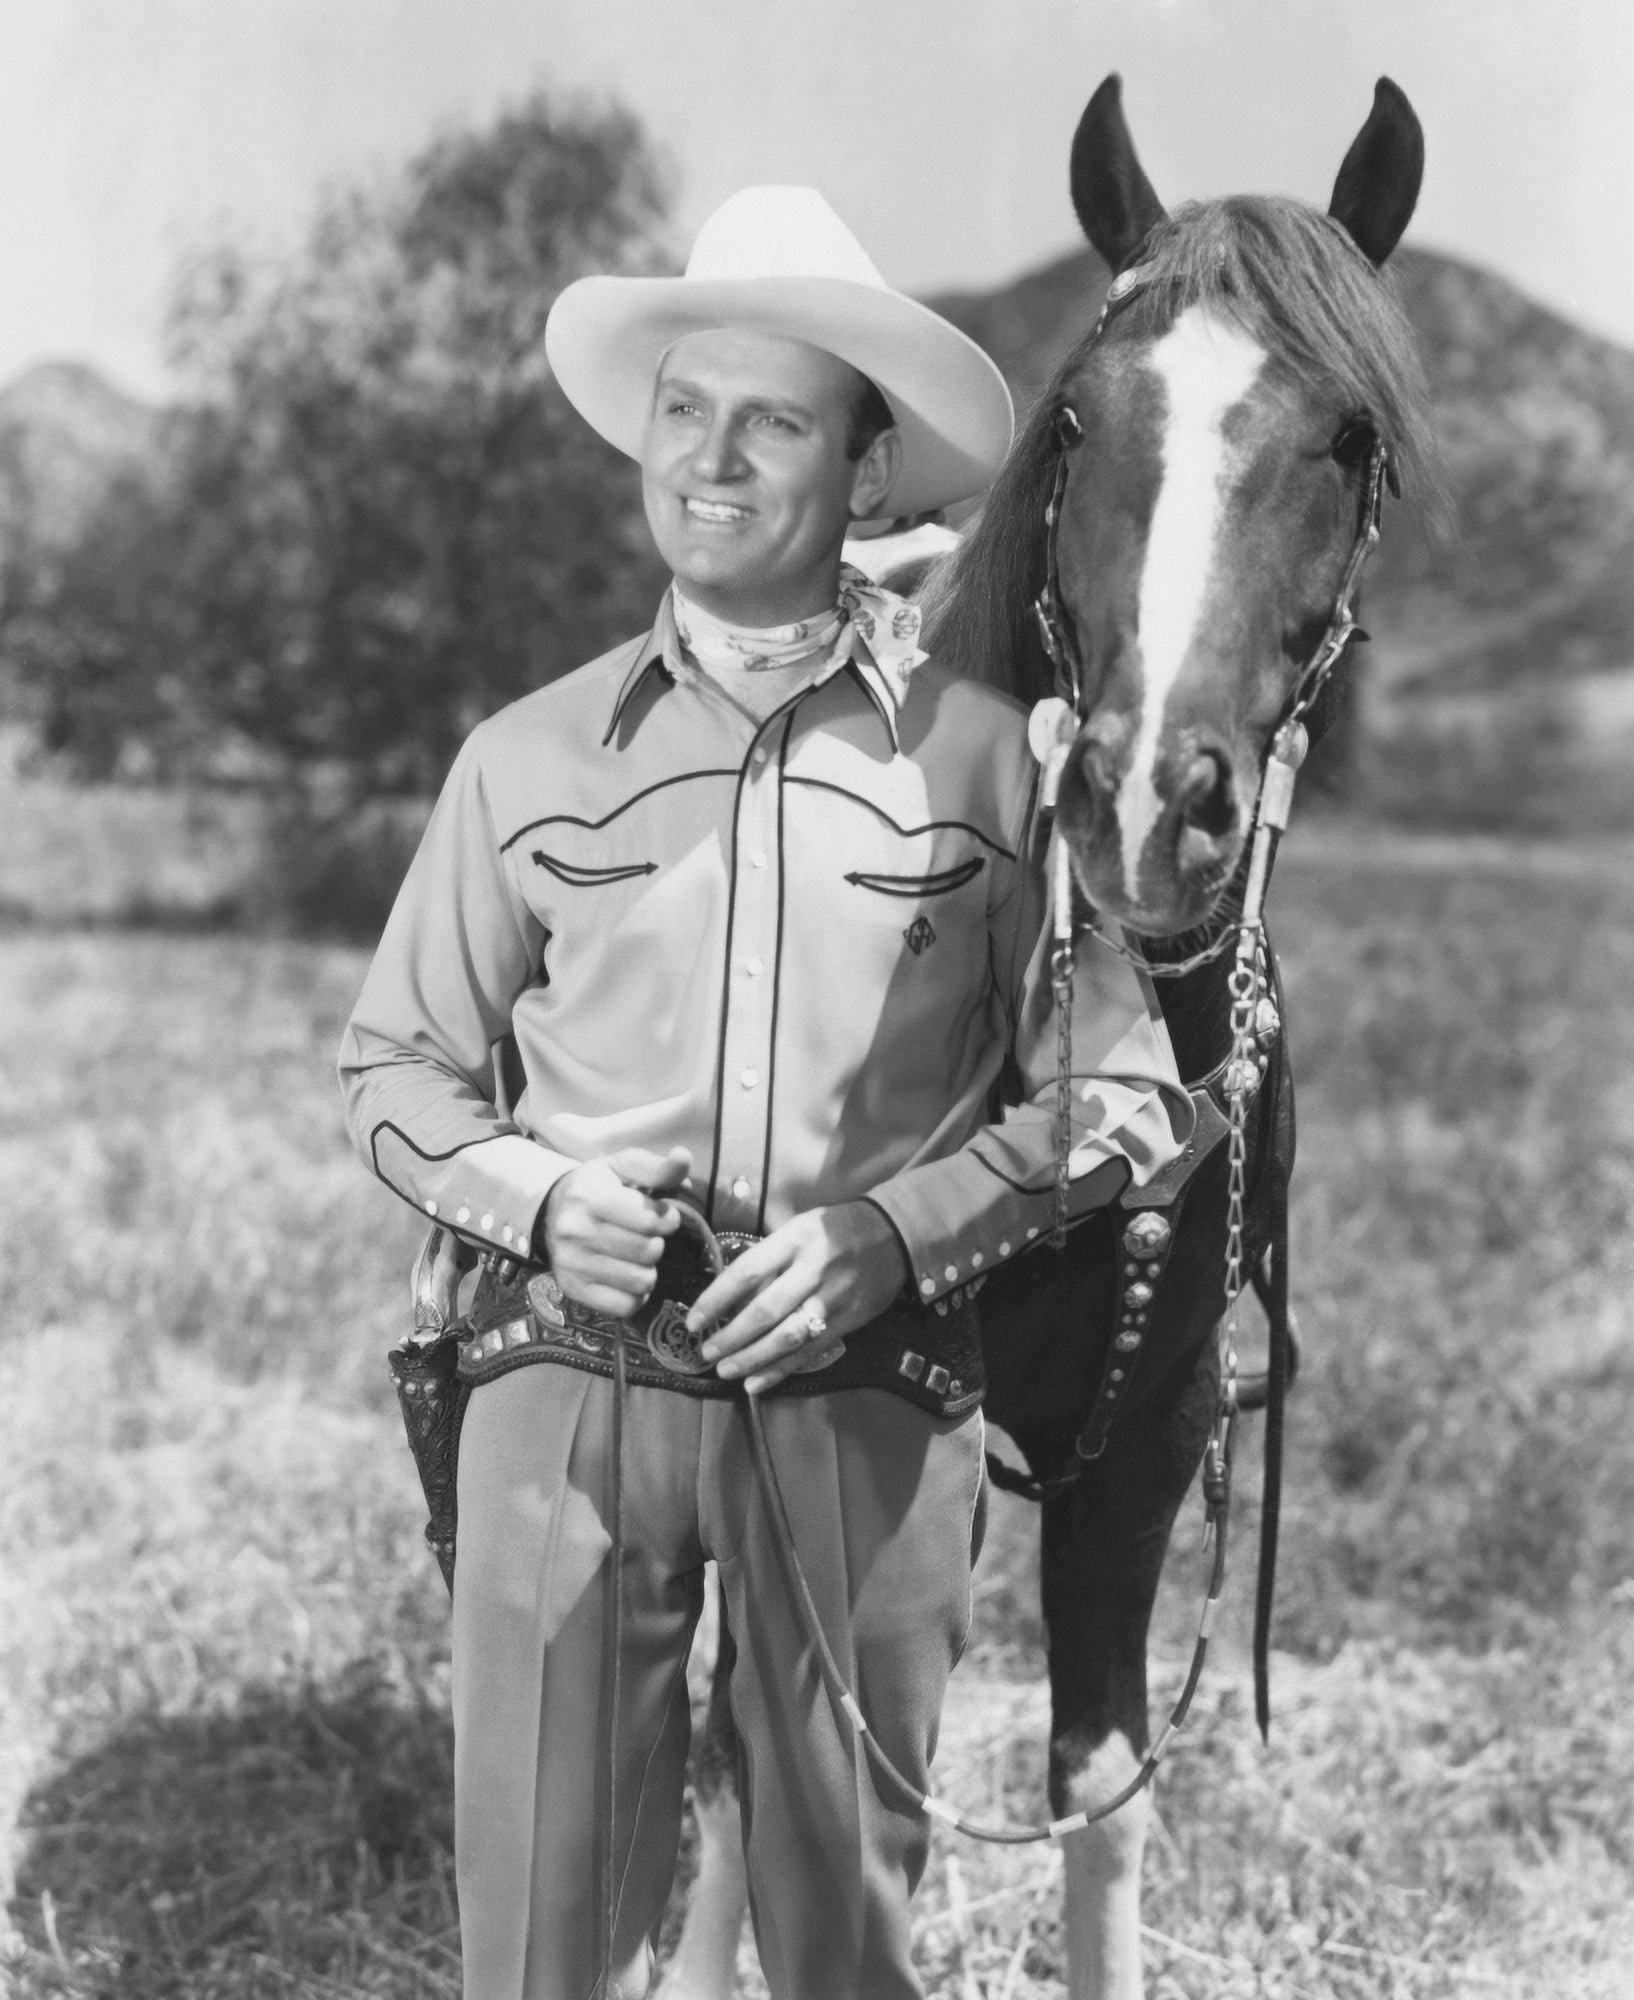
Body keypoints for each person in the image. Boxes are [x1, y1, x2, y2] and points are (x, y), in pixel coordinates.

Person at [339, 184, 1190, 2000]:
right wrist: (533, 1198)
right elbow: (391, 1066)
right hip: (562, 1391)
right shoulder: (522, 758)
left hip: (865, 1404)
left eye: (775, 420)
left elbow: (1122, 1092)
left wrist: (898, 1235)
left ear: (868, 481)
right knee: (539, 1949)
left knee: (841, 1949)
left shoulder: (990, 766)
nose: (709, 461)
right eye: (682, 412)